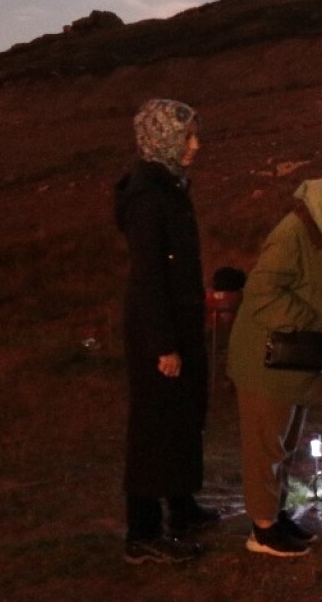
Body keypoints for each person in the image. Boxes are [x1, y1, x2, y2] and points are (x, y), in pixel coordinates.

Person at [228, 175, 322, 557]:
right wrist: (308, 321)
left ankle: (273, 517)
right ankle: (261, 532)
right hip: (267, 357)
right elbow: (261, 293)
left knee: (284, 445)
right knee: (265, 448)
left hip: (292, 358)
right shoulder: (293, 235)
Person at [114, 99, 219, 564]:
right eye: (188, 136)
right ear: (164, 138)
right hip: (160, 332)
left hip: (180, 322)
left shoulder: (171, 186)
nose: (196, 145)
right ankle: (143, 533)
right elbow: (149, 275)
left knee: (182, 420)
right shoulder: (147, 195)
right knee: (155, 428)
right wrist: (163, 344)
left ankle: (182, 506)